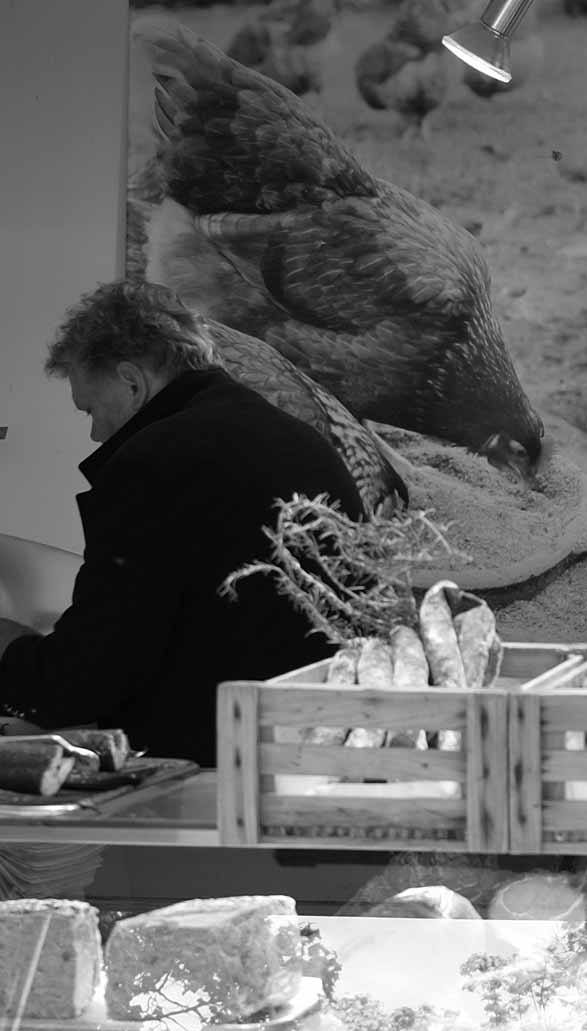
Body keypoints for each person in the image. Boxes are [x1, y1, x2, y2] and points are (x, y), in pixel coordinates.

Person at [0, 282, 365, 766]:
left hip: (216, 766)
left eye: (91, 408)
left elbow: (96, 667)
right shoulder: (294, 438)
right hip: (320, 745)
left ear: (132, 381)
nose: (94, 433)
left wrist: (12, 655)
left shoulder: (158, 457)